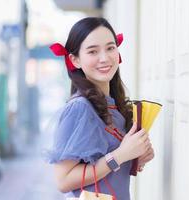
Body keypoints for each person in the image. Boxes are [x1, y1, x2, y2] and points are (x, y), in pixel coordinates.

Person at [46, 17, 154, 199]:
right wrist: (120, 155)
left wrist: (136, 156)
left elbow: (109, 167)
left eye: (110, 48)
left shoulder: (113, 104)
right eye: (93, 51)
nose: (104, 58)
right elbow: (62, 181)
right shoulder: (80, 108)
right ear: (75, 60)